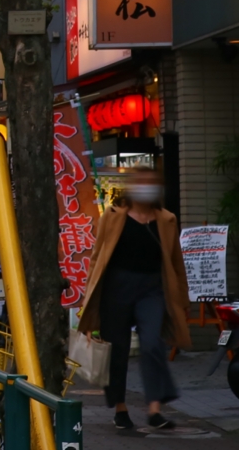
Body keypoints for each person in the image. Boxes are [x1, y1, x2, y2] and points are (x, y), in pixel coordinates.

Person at [76, 170, 191, 432]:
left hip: (152, 289)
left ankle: (154, 409)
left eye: (152, 183)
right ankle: (120, 408)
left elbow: (175, 261)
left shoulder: (167, 219)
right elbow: (97, 256)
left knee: (152, 344)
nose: (147, 188)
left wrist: (182, 297)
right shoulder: (113, 216)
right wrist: (89, 295)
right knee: (117, 350)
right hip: (117, 288)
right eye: (142, 183)